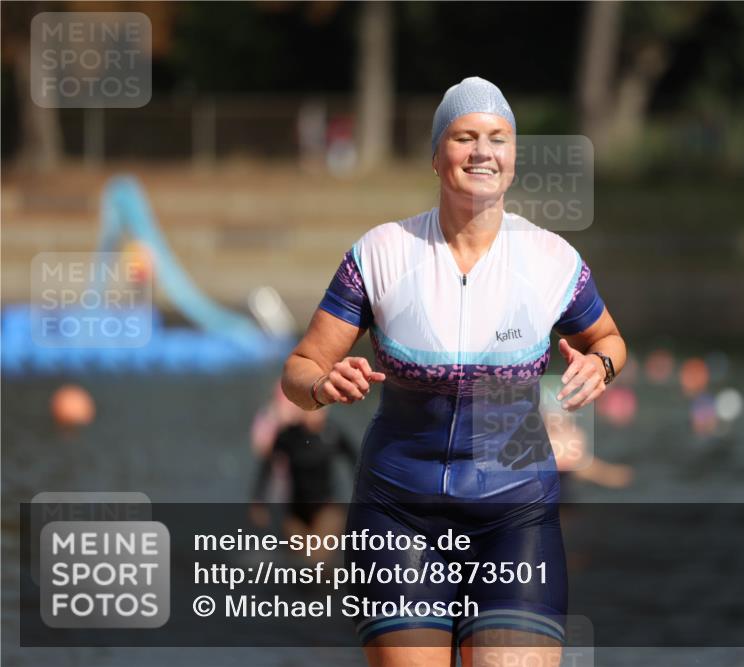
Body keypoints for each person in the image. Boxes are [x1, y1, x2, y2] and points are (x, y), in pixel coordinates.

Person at [281, 76, 626, 667]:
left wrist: (602, 365)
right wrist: (320, 385)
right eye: (465, 137)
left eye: (498, 138)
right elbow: (300, 368)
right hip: (398, 515)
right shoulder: (382, 253)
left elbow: (610, 341)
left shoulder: (550, 260)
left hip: (516, 513)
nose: (482, 151)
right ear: (436, 155)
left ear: (513, 158)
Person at [249, 381, 356, 563]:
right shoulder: (287, 436)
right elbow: (267, 467)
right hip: (295, 513)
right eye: (312, 409)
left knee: (317, 560)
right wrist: (258, 501)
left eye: (321, 409)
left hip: (327, 509)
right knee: (303, 565)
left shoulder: (333, 433)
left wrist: (364, 497)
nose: (317, 414)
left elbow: (355, 461)